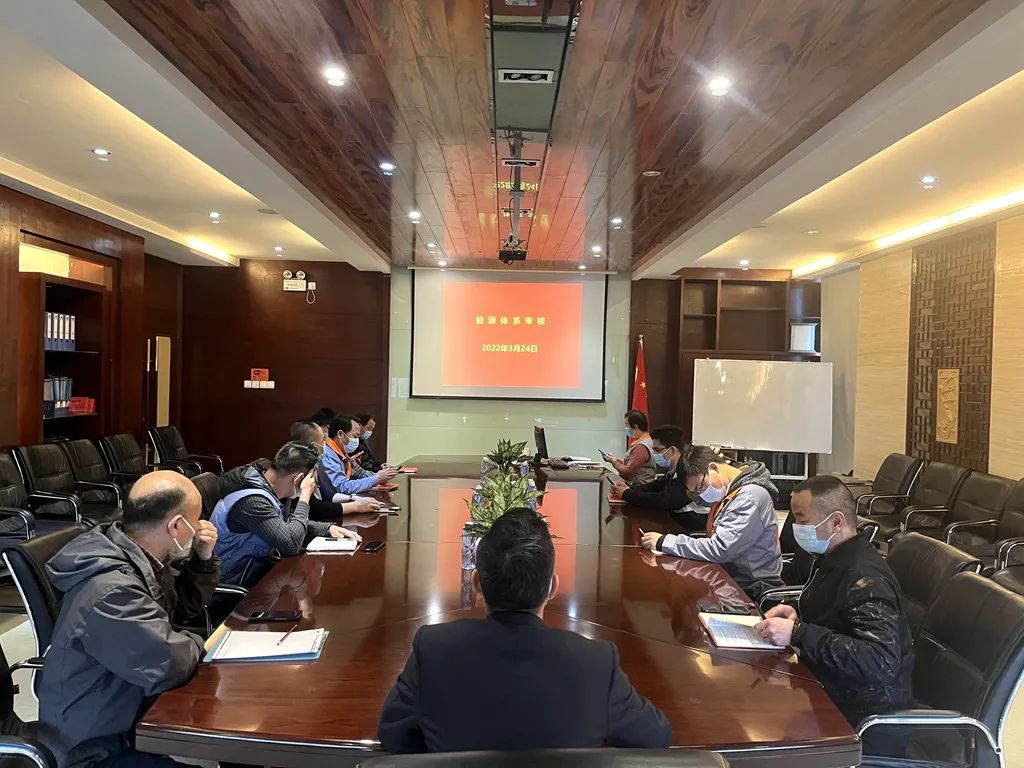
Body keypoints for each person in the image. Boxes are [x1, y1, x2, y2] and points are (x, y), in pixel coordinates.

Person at [378, 508, 672, 753]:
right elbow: (656, 737)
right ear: (552, 587)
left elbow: (393, 736)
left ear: (476, 583)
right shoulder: (596, 661)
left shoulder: (433, 648)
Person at [39, 471, 220, 768]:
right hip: (93, 749)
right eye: (197, 520)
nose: (200, 527)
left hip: (126, 713)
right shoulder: (112, 591)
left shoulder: (139, 555)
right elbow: (170, 663)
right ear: (176, 526)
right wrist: (202, 641)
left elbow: (183, 611)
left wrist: (203, 559)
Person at [754, 476, 914, 754]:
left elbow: (880, 661)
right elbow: (839, 620)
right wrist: (796, 615)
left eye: (802, 520)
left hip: (862, 717)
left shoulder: (865, 577)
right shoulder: (835, 558)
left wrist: (800, 633)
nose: (795, 528)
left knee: (763, 731)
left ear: (836, 521)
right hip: (829, 686)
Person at [641, 445, 783, 599]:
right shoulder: (731, 489)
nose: (702, 494)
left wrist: (666, 542)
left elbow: (721, 549)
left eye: (700, 487)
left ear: (713, 468)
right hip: (729, 577)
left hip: (751, 588)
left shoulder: (749, 496)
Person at [213, 441, 361, 586]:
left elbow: (285, 525)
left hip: (259, 573)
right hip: (236, 583)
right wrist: (305, 495)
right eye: (312, 481)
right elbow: (291, 544)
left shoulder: (264, 485)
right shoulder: (252, 501)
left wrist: (328, 529)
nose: (314, 485)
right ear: (298, 479)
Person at [612, 425, 706, 532]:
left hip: (691, 524)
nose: (655, 455)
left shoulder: (688, 469)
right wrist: (630, 489)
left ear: (672, 449)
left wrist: (628, 494)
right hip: (676, 520)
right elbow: (656, 485)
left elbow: (667, 500)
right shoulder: (674, 467)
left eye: (657, 450)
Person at [289, 419, 384, 521]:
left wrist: (353, 499)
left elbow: (327, 493)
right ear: (314, 446)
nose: (325, 443)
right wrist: (355, 506)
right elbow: (314, 508)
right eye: (323, 440)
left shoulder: (314, 464)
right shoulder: (297, 468)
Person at [320, 415, 399, 497]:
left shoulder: (341, 451)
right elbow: (342, 487)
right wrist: (376, 478)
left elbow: (360, 473)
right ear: (340, 434)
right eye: (355, 436)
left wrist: (383, 475)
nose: (357, 441)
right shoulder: (327, 454)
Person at [605, 410, 657, 487]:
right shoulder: (645, 440)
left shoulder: (641, 447)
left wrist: (614, 462)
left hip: (639, 488)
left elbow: (628, 472)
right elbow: (634, 466)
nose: (626, 428)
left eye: (627, 425)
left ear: (635, 426)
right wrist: (616, 460)